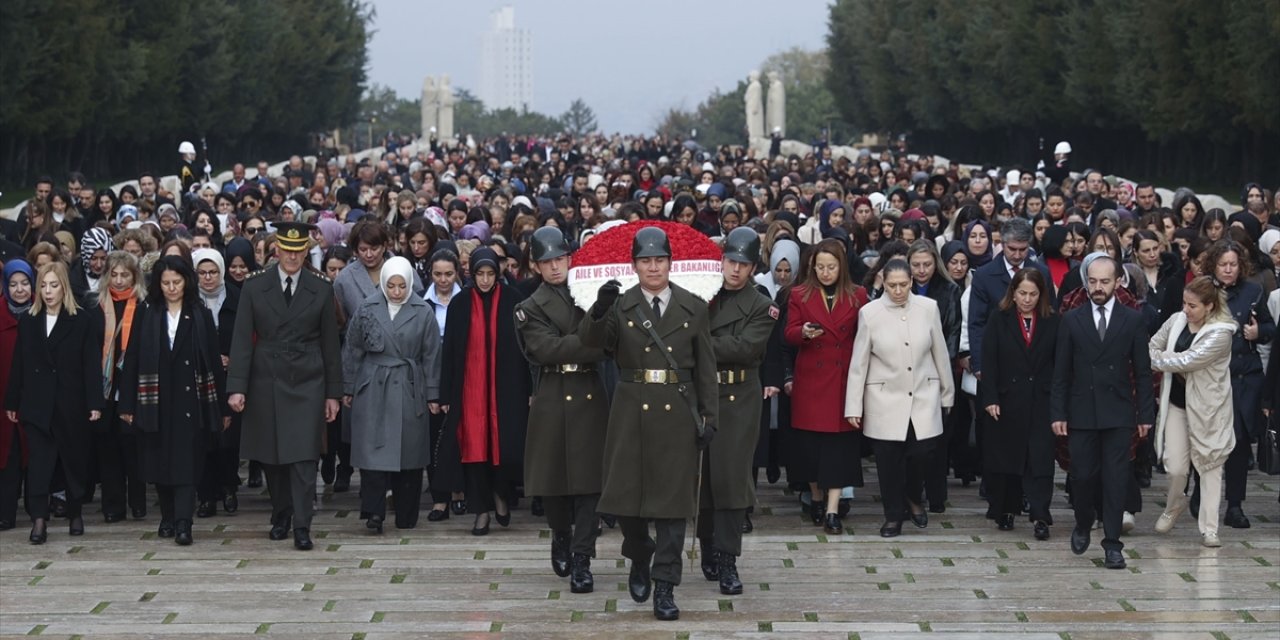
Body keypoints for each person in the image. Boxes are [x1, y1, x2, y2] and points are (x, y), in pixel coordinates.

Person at [578, 227, 718, 621]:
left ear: (670, 263)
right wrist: (599, 308)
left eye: (659, 260)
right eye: (645, 260)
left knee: (673, 506)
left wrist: (710, 417)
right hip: (631, 411)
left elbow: (706, 368)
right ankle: (639, 555)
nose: (653, 267)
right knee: (629, 502)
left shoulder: (694, 307)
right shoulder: (621, 306)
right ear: (634, 265)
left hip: (678, 409)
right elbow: (591, 342)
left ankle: (666, 586)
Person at [227, 221, 342, 551]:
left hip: (308, 378)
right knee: (272, 456)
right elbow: (242, 341)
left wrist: (333, 393)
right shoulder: (254, 286)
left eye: (299, 250)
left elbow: (331, 345)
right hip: (266, 377)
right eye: (287, 250)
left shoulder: (320, 287)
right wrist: (237, 386)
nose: (292, 257)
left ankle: (303, 525)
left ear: (307, 250)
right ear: (276, 249)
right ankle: (281, 513)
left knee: (305, 456)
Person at [515, 227, 610, 594]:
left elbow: (607, 346)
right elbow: (545, 351)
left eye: (560, 258)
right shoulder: (529, 307)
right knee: (553, 482)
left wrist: (598, 315)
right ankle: (560, 534)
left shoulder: (588, 295)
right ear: (536, 266)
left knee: (591, 484)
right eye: (547, 261)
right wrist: (590, 336)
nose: (555, 267)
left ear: (570, 258)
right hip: (553, 391)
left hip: (589, 390)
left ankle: (583, 557)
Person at [1051, 257, 1154, 570]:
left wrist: (1145, 415)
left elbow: (1143, 371)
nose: (1098, 287)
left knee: (1116, 480)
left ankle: (1112, 545)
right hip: (1081, 411)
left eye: (1104, 281)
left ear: (1118, 281)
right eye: (1092, 281)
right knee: (1082, 476)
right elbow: (1061, 371)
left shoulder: (1132, 320)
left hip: (1119, 412)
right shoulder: (1072, 319)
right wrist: (1058, 412)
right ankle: (1083, 521)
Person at [118, 256, 228, 546]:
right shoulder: (147, 312)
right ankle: (167, 517)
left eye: (176, 282)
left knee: (186, 464)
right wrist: (127, 403)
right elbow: (132, 358)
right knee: (158, 462)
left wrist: (223, 406)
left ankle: (183, 523)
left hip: (190, 399)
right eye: (165, 283)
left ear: (186, 282)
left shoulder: (199, 313)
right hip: (155, 399)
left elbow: (214, 361)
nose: (171, 288)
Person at [846, 259, 955, 538]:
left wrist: (947, 393)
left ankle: (913, 498)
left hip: (923, 392)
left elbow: (940, 353)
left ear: (911, 282)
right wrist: (853, 405)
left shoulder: (928, 308)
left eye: (904, 285)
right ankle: (893, 515)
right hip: (884, 396)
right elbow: (859, 362)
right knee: (888, 459)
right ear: (883, 281)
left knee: (922, 452)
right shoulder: (870, 313)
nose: (898, 291)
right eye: (892, 285)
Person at [698, 227, 777, 596]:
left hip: (739, 395)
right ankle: (707, 546)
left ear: (753, 268)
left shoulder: (762, 305)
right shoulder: (702, 295)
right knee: (702, 478)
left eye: (743, 264)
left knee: (731, 479)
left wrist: (699, 342)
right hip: (702, 391)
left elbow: (746, 348)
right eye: (730, 261)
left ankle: (728, 557)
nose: (735, 269)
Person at [5, 261, 104, 544]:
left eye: (54, 285)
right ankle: (38, 520)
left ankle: (75, 511)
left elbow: (90, 365)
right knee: (38, 463)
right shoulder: (29, 321)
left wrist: (94, 402)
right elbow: (19, 365)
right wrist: (13, 400)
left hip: (71, 403)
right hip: (37, 405)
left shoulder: (81, 320)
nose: (48, 292)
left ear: (64, 287)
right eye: (44, 286)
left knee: (72, 460)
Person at [342, 256, 441, 533]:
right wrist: (348, 386)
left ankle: (406, 512)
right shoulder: (366, 308)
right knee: (372, 451)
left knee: (409, 452)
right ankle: (373, 513)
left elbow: (432, 355)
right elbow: (352, 349)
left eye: (401, 286)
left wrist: (433, 395)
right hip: (374, 383)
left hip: (409, 385)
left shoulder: (422, 311)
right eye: (391, 286)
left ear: (409, 284)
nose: (396, 292)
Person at [436, 248, 530, 536]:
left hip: (506, 389)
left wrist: (529, 389)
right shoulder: (460, 304)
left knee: (503, 448)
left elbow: (526, 349)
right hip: (470, 391)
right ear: (472, 274)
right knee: (473, 450)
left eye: (491, 274)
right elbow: (449, 352)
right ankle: (481, 512)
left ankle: (501, 494)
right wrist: (446, 396)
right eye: (480, 274)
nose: (486, 280)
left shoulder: (514, 301)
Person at [1148, 276, 1237, 548]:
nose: (1186, 310)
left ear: (1209, 306)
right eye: (1184, 303)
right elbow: (1152, 344)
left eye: (1193, 305)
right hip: (1176, 404)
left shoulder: (1221, 333)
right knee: (1175, 466)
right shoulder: (1176, 320)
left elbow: (1189, 359)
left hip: (1209, 409)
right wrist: (1159, 358)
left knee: (1211, 464)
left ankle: (1210, 528)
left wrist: (1159, 361)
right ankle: (1174, 505)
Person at [785, 238, 863, 534]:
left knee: (838, 449)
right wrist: (803, 332)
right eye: (820, 267)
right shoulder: (799, 294)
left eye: (831, 267)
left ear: (841, 266)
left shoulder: (858, 295)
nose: (826, 272)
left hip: (843, 381)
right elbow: (788, 332)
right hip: (811, 380)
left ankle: (832, 509)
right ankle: (816, 497)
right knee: (811, 448)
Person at [1194, 240, 1273, 528]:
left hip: (1243, 377)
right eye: (1223, 264)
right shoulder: (1202, 289)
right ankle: (1201, 492)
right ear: (1213, 265)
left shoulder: (1252, 291)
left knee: (1239, 442)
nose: (1228, 269)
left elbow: (1269, 328)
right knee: (1207, 439)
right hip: (1211, 377)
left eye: (1233, 264)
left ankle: (1235, 505)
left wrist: (1256, 332)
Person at [979, 268, 1060, 539]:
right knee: (1008, 458)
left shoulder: (1051, 320)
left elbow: (1059, 363)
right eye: (1022, 293)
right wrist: (990, 397)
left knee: (1041, 459)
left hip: (1041, 399)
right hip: (1007, 399)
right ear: (1013, 293)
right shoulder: (999, 318)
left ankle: (1040, 515)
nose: (1027, 299)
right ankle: (1006, 509)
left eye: (1033, 294)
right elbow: (989, 361)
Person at [95, 251, 148, 523]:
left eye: (124, 274)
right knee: (108, 447)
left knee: (133, 446)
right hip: (105, 388)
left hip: (133, 386)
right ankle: (113, 505)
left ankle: (138, 502)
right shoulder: (96, 305)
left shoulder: (143, 306)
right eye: (113, 274)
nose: (118, 280)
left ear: (134, 276)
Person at [191, 249, 242, 519]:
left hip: (230, 378)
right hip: (199, 378)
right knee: (203, 438)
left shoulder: (237, 297)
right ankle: (206, 495)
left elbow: (246, 335)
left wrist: (233, 359)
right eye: (202, 273)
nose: (208, 278)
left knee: (228, 437)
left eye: (213, 272)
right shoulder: (189, 301)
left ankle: (229, 486)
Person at [423, 248, 466, 521]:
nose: (443, 279)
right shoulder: (422, 302)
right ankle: (439, 498)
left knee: (461, 438)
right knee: (433, 439)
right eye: (437, 274)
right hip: (432, 376)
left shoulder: (468, 300)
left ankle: (459, 492)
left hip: (463, 377)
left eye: (448, 274)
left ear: (457, 273)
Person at [0, 260, 34, 531]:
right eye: (13, 284)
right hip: (4, 399)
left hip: (35, 397)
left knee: (36, 456)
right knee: (8, 457)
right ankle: (6, 512)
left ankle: (39, 513)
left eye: (24, 283)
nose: (20, 289)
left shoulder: (42, 313)